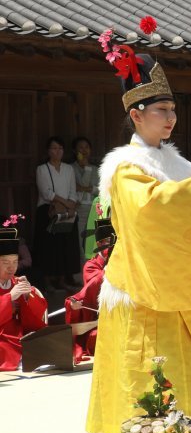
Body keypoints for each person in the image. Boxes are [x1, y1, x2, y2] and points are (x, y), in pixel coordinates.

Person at [86, 45, 191, 433]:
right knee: (151, 385)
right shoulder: (125, 168)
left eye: (173, 110)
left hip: (181, 285)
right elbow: (152, 211)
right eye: (162, 111)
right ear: (136, 114)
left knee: (190, 391)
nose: (171, 118)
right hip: (143, 287)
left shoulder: (178, 166)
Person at [34, 136, 81, 292]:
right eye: (54, 148)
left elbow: (73, 191)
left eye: (60, 148)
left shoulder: (68, 169)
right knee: (48, 246)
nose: (57, 151)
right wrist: (66, 203)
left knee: (65, 244)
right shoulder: (42, 169)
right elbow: (46, 193)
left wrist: (71, 203)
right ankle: (47, 281)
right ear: (48, 151)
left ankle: (62, 279)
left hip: (66, 212)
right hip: (48, 210)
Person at [0, 220, 48, 371]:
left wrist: (28, 296)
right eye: (5, 262)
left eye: (15, 262)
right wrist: (9, 298)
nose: (11, 267)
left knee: (45, 340)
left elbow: (37, 323)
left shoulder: (17, 283)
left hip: (19, 336)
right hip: (3, 340)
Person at [64, 218, 113, 362]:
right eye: (109, 244)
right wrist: (111, 271)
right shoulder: (90, 266)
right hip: (97, 320)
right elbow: (91, 291)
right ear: (99, 244)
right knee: (98, 337)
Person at [71, 137, 99, 254]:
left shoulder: (96, 169)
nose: (84, 150)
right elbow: (75, 187)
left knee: (94, 240)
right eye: (81, 147)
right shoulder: (71, 168)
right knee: (80, 240)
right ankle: (82, 268)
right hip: (78, 208)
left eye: (86, 147)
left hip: (94, 208)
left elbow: (100, 190)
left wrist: (86, 189)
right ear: (74, 150)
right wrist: (86, 168)